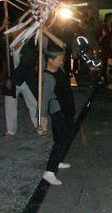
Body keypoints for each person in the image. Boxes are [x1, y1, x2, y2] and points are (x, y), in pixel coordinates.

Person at [41, 46, 75, 185]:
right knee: (62, 141)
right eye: (59, 60)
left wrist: (44, 29)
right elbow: (44, 99)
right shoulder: (48, 77)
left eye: (62, 59)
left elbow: (61, 45)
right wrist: (42, 117)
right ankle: (49, 172)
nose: (61, 62)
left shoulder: (59, 70)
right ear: (50, 60)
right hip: (59, 111)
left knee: (63, 138)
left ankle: (58, 160)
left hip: (67, 109)